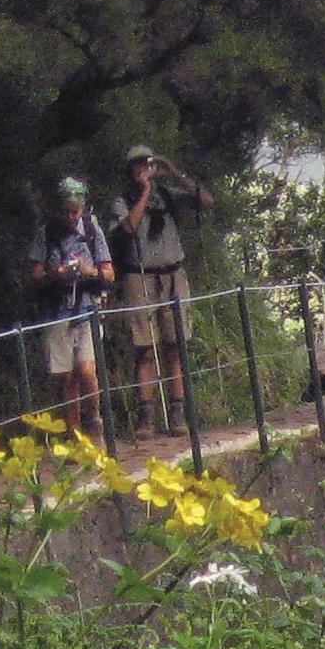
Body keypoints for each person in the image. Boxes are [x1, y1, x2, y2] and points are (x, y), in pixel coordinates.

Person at [110, 145, 212, 436]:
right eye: (136, 165)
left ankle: (177, 415)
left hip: (173, 275)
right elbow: (128, 228)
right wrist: (144, 193)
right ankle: (146, 417)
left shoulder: (168, 196)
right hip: (139, 276)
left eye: (147, 164)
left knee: (175, 345)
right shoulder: (122, 201)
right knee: (145, 348)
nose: (142, 169)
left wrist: (175, 173)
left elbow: (206, 201)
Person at [28, 176, 113, 443]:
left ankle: (95, 423)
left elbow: (109, 273)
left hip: (87, 307)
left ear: (82, 207)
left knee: (87, 370)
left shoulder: (92, 229)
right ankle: (74, 435)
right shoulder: (46, 232)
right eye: (65, 211)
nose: (70, 217)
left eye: (74, 211)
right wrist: (56, 274)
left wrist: (88, 271)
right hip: (57, 309)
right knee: (68, 379)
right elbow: (35, 276)